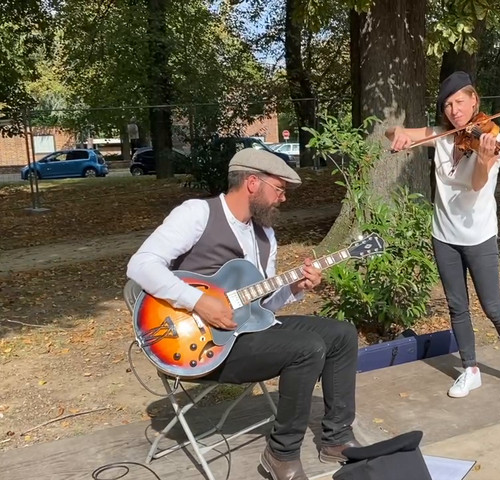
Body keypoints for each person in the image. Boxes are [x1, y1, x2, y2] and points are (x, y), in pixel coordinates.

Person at [126, 148, 360, 480]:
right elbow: (140, 265)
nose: (282, 199)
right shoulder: (197, 214)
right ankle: (281, 454)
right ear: (252, 182)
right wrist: (197, 301)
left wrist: (296, 287)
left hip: (248, 329)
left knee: (341, 335)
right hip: (204, 344)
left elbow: (261, 306)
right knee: (307, 348)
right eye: (279, 189)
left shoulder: (265, 235)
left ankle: (336, 438)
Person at [384, 71, 500, 401]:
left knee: (493, 306)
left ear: (474, 102)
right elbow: (393, 132)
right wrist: (397, 134)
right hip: (444, 235)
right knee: (458, 307)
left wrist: (484, 158)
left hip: (479, 235)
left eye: (460, 102)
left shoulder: (489, 140)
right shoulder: (442, 136)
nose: (454, 110)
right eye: (448, 105)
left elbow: (477, 184)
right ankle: (470, 370)